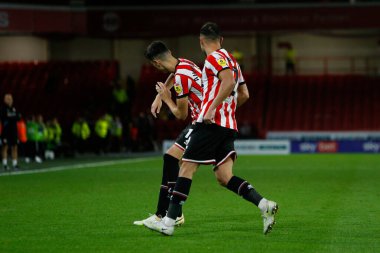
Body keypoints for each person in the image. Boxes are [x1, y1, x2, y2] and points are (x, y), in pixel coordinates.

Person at [144, 22, 278, 236]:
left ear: (200, 40)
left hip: (208, 123)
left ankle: (168, 221)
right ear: (221, 40)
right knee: (224, 177)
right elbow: (244, 94)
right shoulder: (232, 60)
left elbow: (227, 83)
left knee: (186, 167)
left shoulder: (213, 59)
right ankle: (264, 204)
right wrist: (225, 110)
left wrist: (211, 109)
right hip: (227, 125)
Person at [133, 41, 203, 226]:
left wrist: (166, 98)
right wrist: (158, 97)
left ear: (156, 63)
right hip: (202, 120)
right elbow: (174, 75)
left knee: (174, 160)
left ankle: (170, 214)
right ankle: (163, 214)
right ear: (169, 52)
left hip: (203, 123)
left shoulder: (182, 78)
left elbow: (181, 114)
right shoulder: (185, 63)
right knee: (171, 158)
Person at [0, 94, 21, 171]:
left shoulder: (14, 108)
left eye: (10, 98)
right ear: (4, 100)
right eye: (7, 98)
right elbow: (5, 117)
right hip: (6, 131)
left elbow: (18, 117)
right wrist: (13, 116)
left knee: (15, 147)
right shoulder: (3, 109)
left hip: (14, 131)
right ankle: (5, 165)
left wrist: (12, 116)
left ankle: (15, 164)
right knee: (5, 147)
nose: (9, 100)